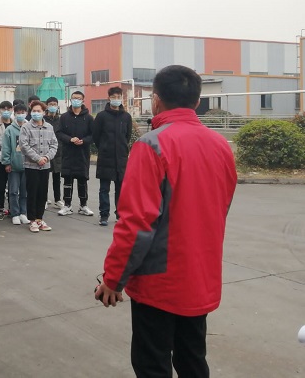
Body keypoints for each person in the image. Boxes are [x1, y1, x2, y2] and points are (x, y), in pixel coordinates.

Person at [95, 65, 237, 378]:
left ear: (156, 100)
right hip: (200, 277)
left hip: (158, 283)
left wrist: (113, 279)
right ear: (197, 102)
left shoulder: (152, 145)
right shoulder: (220, 146)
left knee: (152, 365)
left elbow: (136, 223)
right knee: (193, 361)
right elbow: (220, 209)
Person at [93, 87, 133, 226]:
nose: (116, 99)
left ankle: (120, 214)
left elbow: (127, 136)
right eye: (114, 97)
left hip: (121, 158)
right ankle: (104, 215)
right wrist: (104, 148)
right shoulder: (101, 116)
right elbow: (96, 136)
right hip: (106, 157)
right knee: (104, 188)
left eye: (118, 97)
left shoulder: (126, 117)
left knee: (120, 189)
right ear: (109, 98)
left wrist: (122, 149)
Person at [19, 100, 57, 233]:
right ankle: (32, 220)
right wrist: (37, 158)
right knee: (32, 193)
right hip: (31, 166)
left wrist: (46, 158)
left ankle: (40, 218)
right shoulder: (26, 127)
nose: (36, 113)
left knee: (42, 193)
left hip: (45, 166)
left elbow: (54, 145)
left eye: (39, 111)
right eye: (34, 111)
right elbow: (24, 145)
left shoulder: (49, 127)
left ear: (44, 112)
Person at [55, 91, 95, 217]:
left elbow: (93, 135)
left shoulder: (89, 118)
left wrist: (84, 141)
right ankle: (67, 205)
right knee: (68, 180)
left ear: (83, 100)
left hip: (82, 153)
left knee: (82, 180)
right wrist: (70, 139)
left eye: (78, 98)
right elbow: (59, 133)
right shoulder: (64, 117)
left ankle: (83, 205)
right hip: (68, 153)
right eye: (74, 98)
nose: (76, 100)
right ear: (70, 100)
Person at [0, 104, 29, 226]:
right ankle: (15, 213)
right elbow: (6, 147)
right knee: (13, 191)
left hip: (27, 165)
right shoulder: (10, 130)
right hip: (14, 166)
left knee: (24, 191)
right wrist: (6, 162)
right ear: (15, 114)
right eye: (18, 112)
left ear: (26, 113)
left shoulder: (29, 127)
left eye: (23, 112)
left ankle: (23, 212)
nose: (20, 114)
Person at [0, 100, 13, 219]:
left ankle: (12, 207)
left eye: (8, 109)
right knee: (0, 185)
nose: (6, 111)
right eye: (3, 109)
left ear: (12, 110)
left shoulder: (17, 123)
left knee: (13, 186)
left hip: (14, 160)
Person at [44, 97, 64, 210]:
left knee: (57, 176)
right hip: (45, 151)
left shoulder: (60, 120)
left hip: (58, 151)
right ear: (47, 106)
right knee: (45, 177)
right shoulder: (43, 119)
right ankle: (44, 198)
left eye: (54, 104)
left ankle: (57, 199)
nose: (53, 106)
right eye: (50, 104)